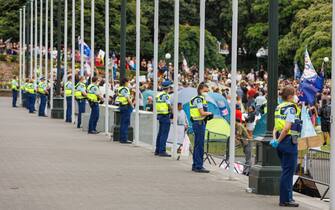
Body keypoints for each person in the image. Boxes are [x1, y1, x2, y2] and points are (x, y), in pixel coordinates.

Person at [271, 86, 301, 207]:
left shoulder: (279, 107)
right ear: (290, 96)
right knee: (288, 172)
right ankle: (285, 199)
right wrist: (278, 140)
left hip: (280, 140)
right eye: (294, 94)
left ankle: (288, 197)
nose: (296, 96)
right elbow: (287, 127)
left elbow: (275, 127)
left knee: (285, 170)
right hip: (288, 141)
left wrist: (275, 139)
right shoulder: (291, 109)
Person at [189, 82, 213, 173]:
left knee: (197, 145)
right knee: (200, 146)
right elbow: (201, 112)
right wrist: (210, 113)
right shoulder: (199, 99)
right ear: (201, 89)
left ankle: (195, 165)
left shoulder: (196, 98)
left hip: (197, 122)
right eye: (205, 90)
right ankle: (199, 166)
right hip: (199, 123)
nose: (207, 92)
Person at [155, 80, 173, 157]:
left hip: (160, 114)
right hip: (165, 115)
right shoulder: (166, 95)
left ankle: (157, 150)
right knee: (164, 134)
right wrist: (172, 111)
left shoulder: (158, 95)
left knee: (160, 133)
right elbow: (168, 105)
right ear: (168, 87)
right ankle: (162, 151)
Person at [116, 78, 133, 144]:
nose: (129, 83)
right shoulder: (125, 89)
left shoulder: (119, 88)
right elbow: (127, 98)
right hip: (126, 106)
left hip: (122, 106)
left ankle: (122, 138)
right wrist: (132, 105)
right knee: (125, 123)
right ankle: (124, 139)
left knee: (122, 123)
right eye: (128, 82)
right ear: (125, 82)